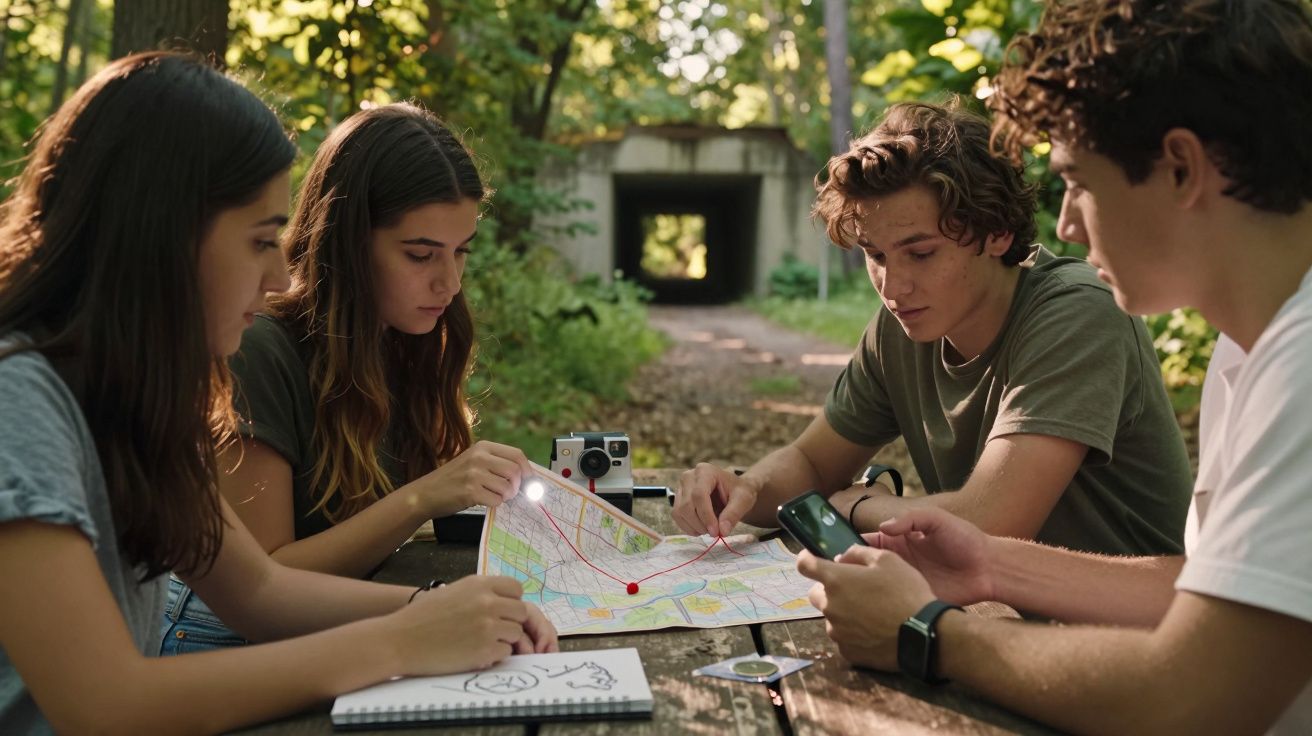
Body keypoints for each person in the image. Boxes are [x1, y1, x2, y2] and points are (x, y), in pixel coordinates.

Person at [0, 52, 554, 734]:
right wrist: (400, 641)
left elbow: (258, 592)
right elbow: (106, 704)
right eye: (262, 241)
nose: (279, 279)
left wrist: (442, 609)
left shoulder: (134, 394)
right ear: (162, 237)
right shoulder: (18, 401)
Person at [797, 1, 1312, 732]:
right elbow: (1206, 588)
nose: (1065, 223)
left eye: (1080, 182)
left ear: (1181, 168)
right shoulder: (1256, 346)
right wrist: (990, 567)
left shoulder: (1304, 368)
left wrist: (928, 632)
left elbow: (1192, 698)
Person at [674, 99, 1192, 557]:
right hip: (994, 609)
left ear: (996, 232)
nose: (894, 287)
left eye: (921, 253)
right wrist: (743, 487)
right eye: (876, 255)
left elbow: (992, 524)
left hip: (1128, 636)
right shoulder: (901, 328)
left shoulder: (1076, 312)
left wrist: (863, 509)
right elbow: (812, 462)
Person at [160, 102, 534, 653]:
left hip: (354, 622)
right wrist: (422, 498)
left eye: (461, 253)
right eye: (420, 255)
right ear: (348, 241)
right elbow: (265, 581)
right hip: (223, 644)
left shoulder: (408, 337)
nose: (449, 283)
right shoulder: (256, 346)